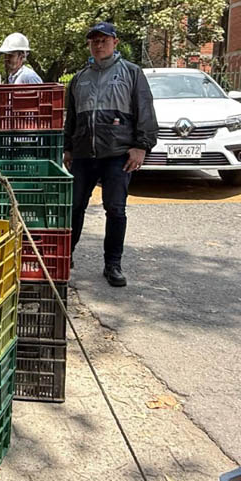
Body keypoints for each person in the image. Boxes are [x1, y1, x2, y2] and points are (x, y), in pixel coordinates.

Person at [63, 22, 158, 288]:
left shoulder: (131, 73)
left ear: (115, 42)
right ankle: (65, 256)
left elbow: (145, 110)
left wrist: (142, 146)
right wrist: (68, 147)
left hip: (117, 154)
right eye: (94, 40)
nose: (98, 44)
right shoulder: (80, 78)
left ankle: (112, 264)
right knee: (74, 208)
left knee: (115, 210)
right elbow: (72, 117)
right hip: (83, 154)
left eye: (104, 39)